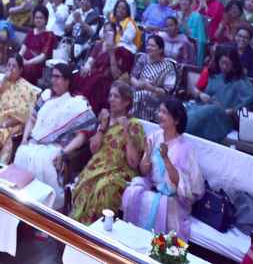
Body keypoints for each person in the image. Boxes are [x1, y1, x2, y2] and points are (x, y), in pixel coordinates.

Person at [14, 62, 96, 209]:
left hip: (56, 147)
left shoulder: (76, 103)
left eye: (58, 77)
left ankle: (44, 209)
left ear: (67, 81)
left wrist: (64, 153)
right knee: (22, 153)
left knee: (42, 162)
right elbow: (31, 120)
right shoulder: (45, 96)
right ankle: (20, 205)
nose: (53, 81)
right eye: (53, 77)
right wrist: (24, 139)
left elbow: (82, 136)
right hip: (34, 142)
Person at [122, 99, 204, 239]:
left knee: (158, 205)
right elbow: (144, 172)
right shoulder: (155, 137)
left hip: (174, 198)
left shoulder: (185, 148)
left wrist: (166, 159)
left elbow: (185, 186)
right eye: (159, 111)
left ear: (176, 120)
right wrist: (147, 154)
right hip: (153, 188)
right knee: (132, 192)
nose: (159, 114)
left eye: (164, 112)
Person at [70, 82, 146, 224]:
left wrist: (126, 131)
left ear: (126, 102)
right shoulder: (105, 121)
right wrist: (101, 128)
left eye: (116, 96)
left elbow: (134, 163)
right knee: (85, 184)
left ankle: (97, 233)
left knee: (103, 189)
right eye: (110, 96)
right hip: (99, 166)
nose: (111, 99)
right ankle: (78, 230)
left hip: (121, 171)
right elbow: (93, 150)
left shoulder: (134, 125)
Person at [186, 45, 253, 143]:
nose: (224, 66)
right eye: (222, 63)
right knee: (188, 107)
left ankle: (180, 128)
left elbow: (250, 102)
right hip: (205, 112)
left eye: (228, 64)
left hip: (224, 119)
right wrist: (201, 95)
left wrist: (232, 111)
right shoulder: (214, 76)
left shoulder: (241, 81)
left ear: (234, 63)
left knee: (210, 109)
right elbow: (202, 95)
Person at [73, 23, 132, 113]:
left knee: (96, 80)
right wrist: (87, 67)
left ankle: (85, 108)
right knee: (76, 75)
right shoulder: (98, 46)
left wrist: (111, 53)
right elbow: (90, 61)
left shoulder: (121, 51)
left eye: (110, 31)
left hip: (106, 81)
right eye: (105, 31)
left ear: (115, 34)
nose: (107, 34)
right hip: (93, 74)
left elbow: (115, 75)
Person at [130, 35, 178, 121]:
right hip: (136, 90)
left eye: (152, 46)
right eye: (148, 45)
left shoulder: (168, 66)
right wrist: (138, 84)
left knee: (141, 95)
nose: (149, 48)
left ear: (161, 50)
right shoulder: (143, 58)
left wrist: (150, 88)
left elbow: (166, 92)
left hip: (156, 97)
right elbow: (132, 77)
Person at [19, 5, 56, 85]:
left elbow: (43, 56)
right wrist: (18, 59)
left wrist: (28, 62)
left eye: (41, 18)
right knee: (14, 66)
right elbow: (23, 49)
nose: (38, 20)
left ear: (46, 20)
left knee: (27, 69)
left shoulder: (49, 35)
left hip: (37, 65)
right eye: (36, 17)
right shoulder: (31, 32)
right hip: (25, 61)